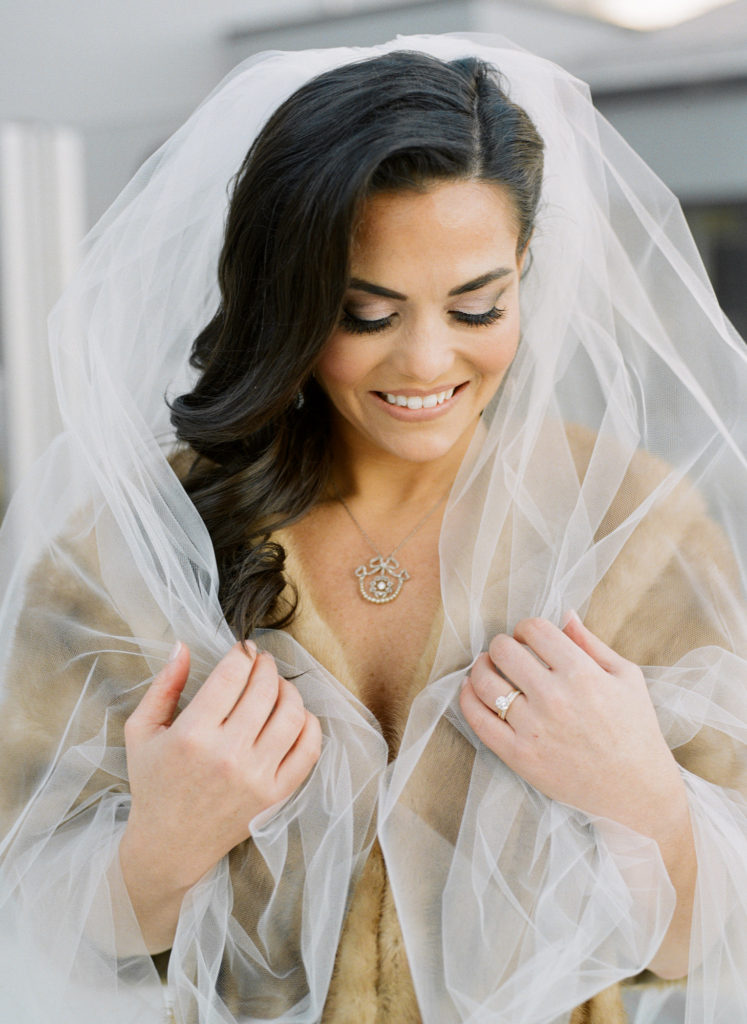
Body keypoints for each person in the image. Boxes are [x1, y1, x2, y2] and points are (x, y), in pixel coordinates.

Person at [0, 33, 745, 1024]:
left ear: (526, 271)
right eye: (364, 313)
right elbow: (38, 925)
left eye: (479, 305)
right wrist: (161, 848)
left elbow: (709, 947)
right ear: (290, 301)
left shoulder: (635, 531)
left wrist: (645, 799)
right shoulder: (131, 546)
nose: (427, 360)